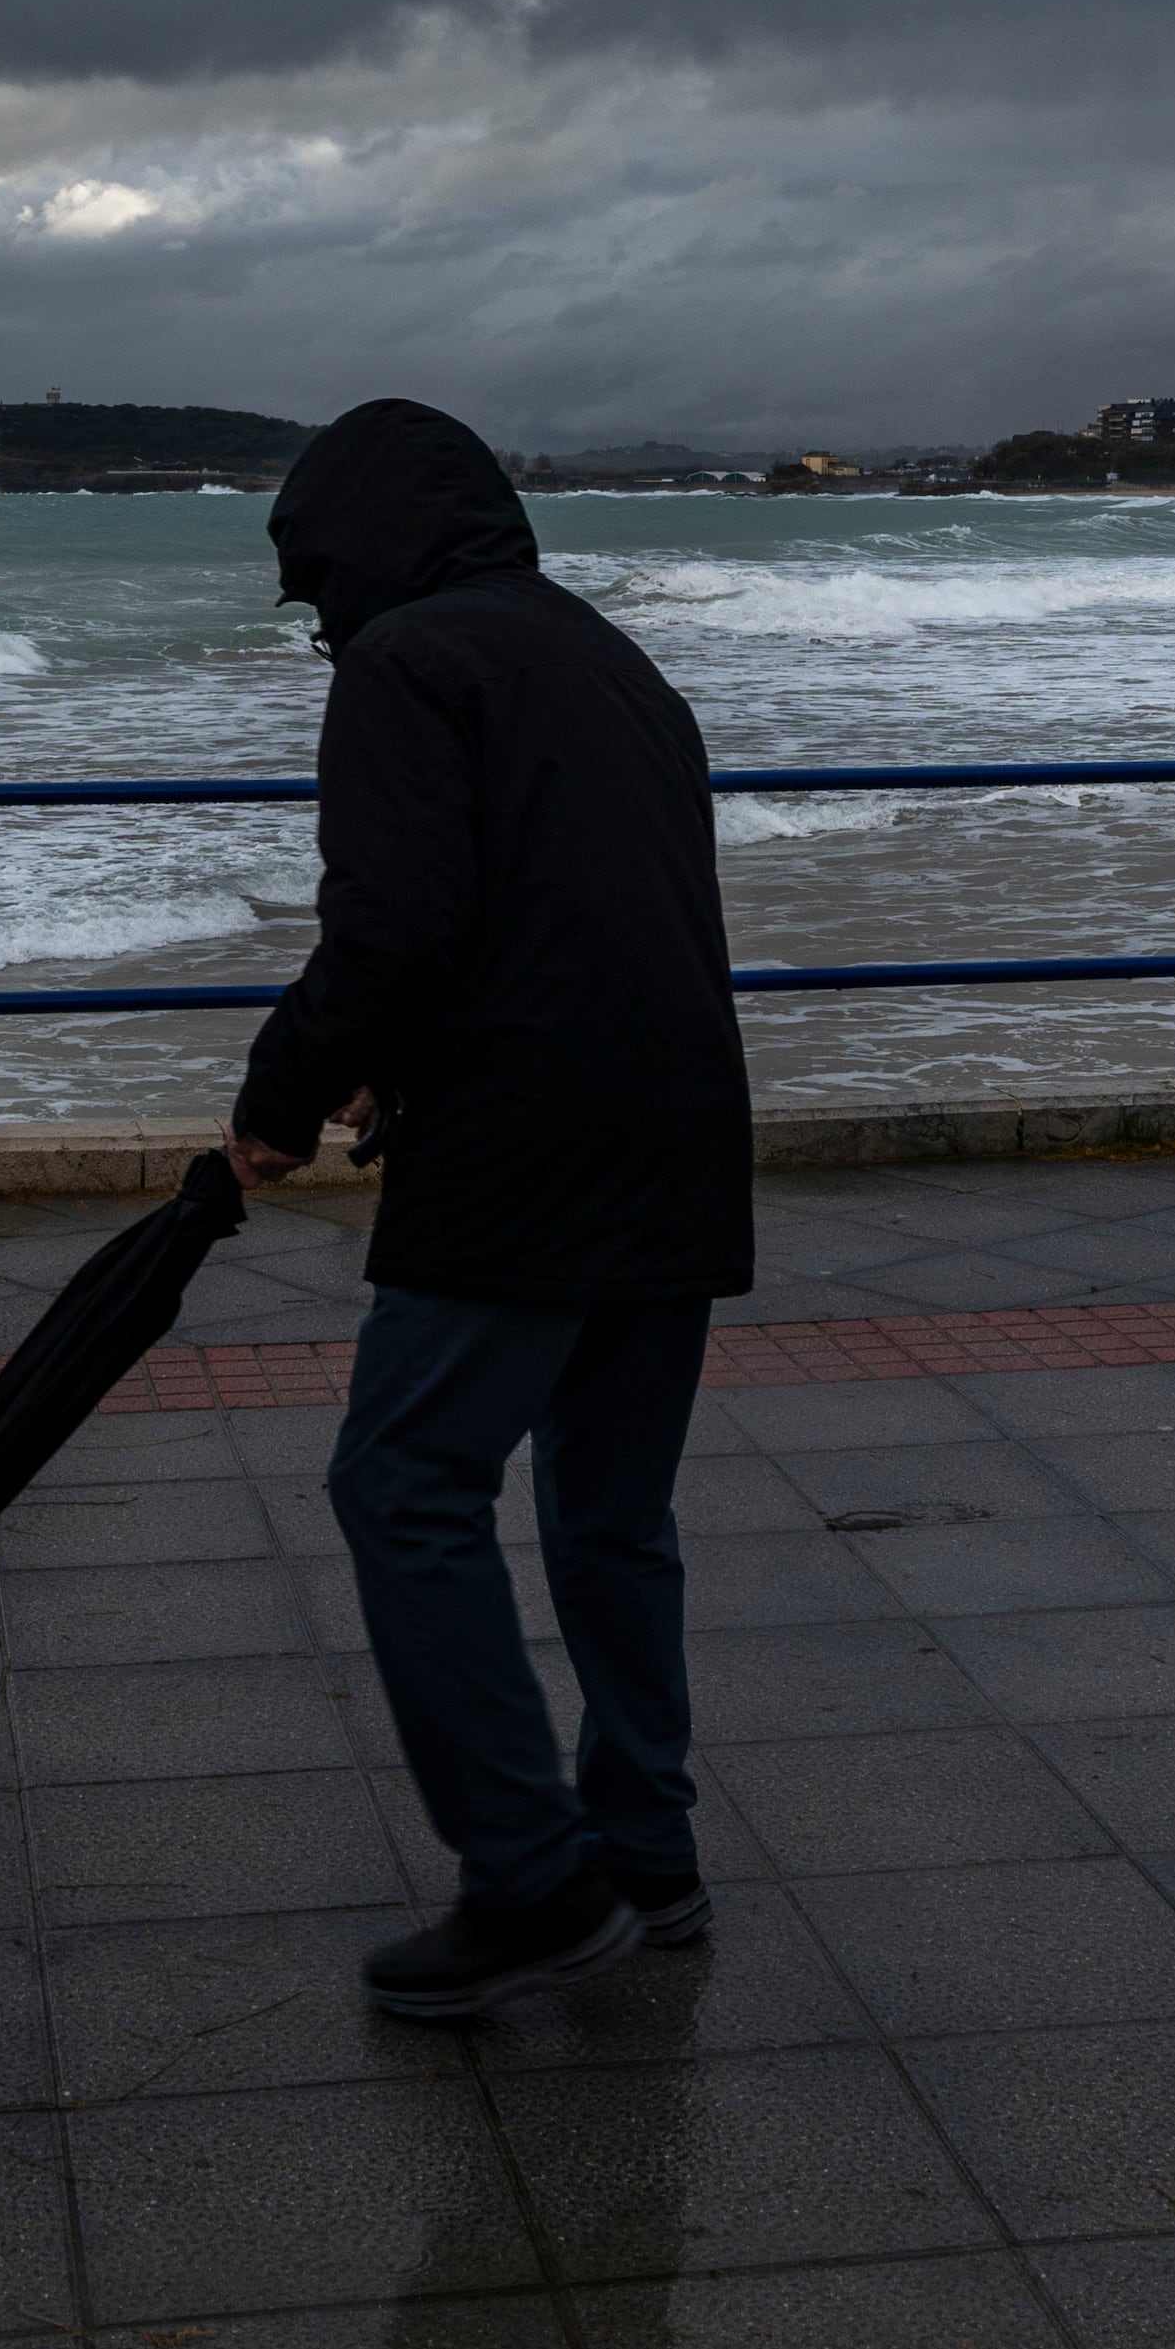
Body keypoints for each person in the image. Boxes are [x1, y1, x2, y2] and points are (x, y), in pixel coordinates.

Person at [224, 399, 755, 2019]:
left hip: (532, 1146)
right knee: (610, 1512)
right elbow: (565, 896)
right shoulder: (610, 659)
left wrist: (283, 1089)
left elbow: (394, 927)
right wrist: (398, 1065)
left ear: (367, 547)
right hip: (677, 1124)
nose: (320, 623)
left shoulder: (408, 666)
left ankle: (531, 1878)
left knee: (403, 1483)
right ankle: (648, 1851)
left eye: (319, 584)